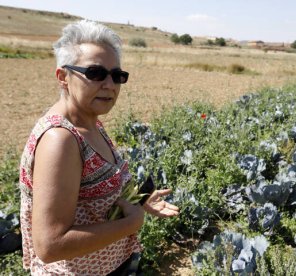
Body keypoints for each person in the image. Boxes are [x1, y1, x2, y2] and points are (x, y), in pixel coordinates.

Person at [18, 19, 179, 275]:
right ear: (63, 77)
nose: (109, 84)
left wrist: (138, 200)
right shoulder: (60, 140)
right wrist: (131, 224)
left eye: (117, 76)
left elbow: (93, 191)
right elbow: (50, 245)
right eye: (95, 73)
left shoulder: (90, 122)